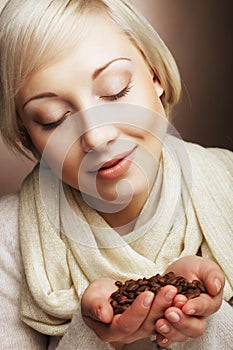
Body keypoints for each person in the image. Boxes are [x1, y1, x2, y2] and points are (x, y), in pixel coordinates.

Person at [0, 0, 232, 349]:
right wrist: (91, 334)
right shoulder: (8, 241)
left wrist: (203, 319)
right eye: (54, 118)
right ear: (28, 135)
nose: (96, 136)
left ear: (155, 76)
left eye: (115, 91)